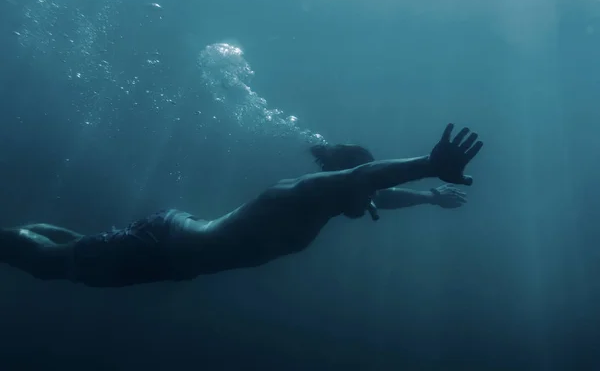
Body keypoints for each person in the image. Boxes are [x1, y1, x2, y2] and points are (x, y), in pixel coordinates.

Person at [0, 123, 483, 288]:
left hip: (173, 252)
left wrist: (428, 198)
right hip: (163, 248)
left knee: (74, 254)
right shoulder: (305, 194)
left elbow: (378, 191)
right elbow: (367, 178)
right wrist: (427, 163)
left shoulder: (332, 201)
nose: (371, 200)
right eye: (365, 188)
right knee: (53, 267)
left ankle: (27, 230)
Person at [310, 142, 468, 220]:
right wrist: (430, 165)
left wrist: (432, 196)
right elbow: (361, 178)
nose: (373, 195)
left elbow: (384, 197)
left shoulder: (355, 195)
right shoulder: (302, 193)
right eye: (371, 185)